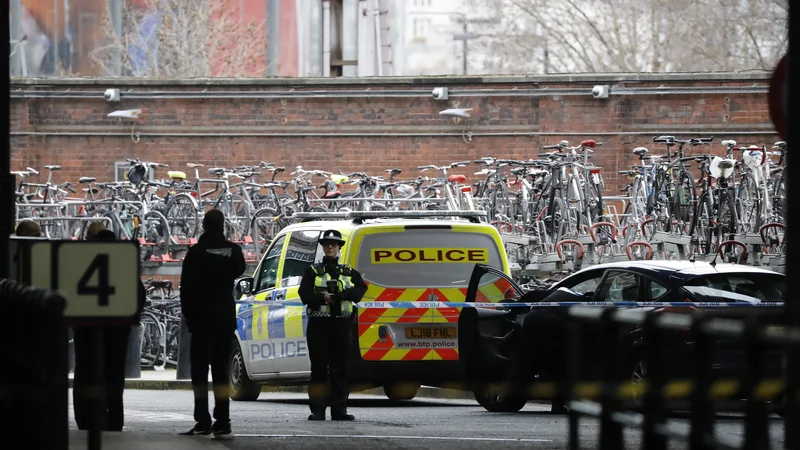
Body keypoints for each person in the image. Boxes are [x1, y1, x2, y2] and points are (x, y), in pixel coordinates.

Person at [179, 209, 246, 439]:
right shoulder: (233, 252)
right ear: (223, 225)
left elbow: (186, 290)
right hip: (224, 321)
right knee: (220, 374)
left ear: (204, 226)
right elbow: (239, 270)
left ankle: (202, 421)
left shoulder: (195, 253)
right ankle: (223, 422)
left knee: (199, 375)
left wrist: (189, 317)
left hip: (201, 322)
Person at [72, 229, 146, 431]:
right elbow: (139, 294)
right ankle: (114, 420)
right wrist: (131, 318)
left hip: (87, 329)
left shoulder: (82, 261)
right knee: (114, 377)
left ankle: (86, 419)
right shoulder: (124, 264)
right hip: (117, 329)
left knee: (86, 374)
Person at [298, 229, 367, 421]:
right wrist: (323, 297)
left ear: (339, 248)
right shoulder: (312, 271)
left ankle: (339, 409)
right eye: (327, 244)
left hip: (342, 325)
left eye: (334, 244)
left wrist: (342, 295)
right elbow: (304, 295)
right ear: (322, 247)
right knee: (319, 369)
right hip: (319, 325)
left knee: (341, 368)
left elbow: (361, 290)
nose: (330, 247)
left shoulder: (348, 272)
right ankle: (318, 410)